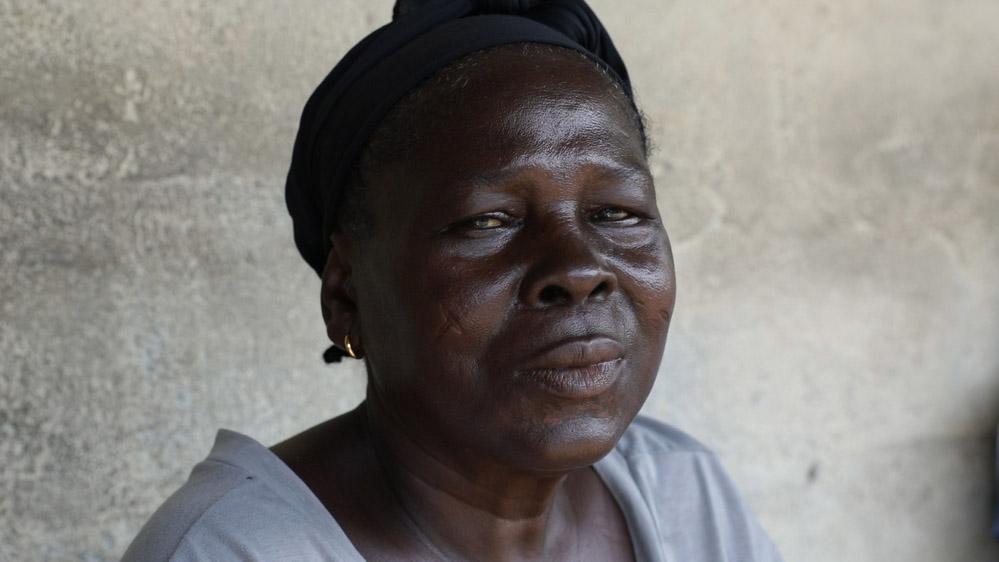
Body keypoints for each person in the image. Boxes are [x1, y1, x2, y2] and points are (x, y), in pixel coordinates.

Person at [122, 1, 784, 560]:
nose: (578, 271)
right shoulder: (236, 550)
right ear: (346, 295)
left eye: (617, 214)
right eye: (488, 221)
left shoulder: (682, 497)